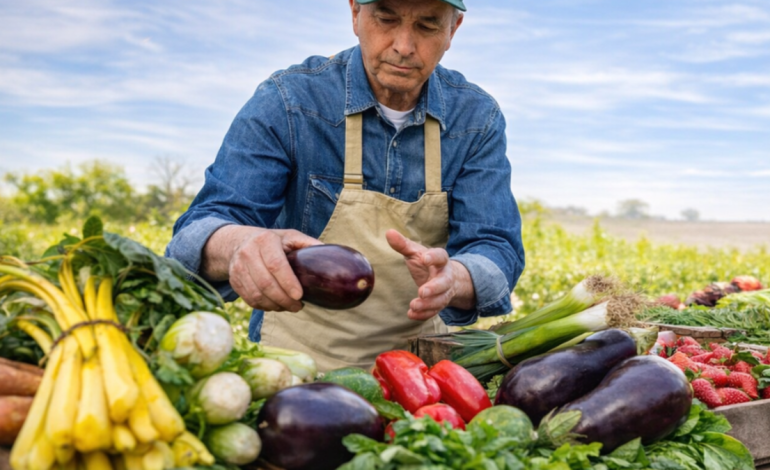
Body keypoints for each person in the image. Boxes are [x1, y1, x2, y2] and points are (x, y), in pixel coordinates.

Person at [166, 0, 525, 372]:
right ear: (355, 13)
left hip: (419, 376)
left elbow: (496, 247)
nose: (403, 45)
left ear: (453, 30)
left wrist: (455, 279)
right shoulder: (288, 101)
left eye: (428, 26)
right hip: (292, 368)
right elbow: (199, 231)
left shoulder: (476, 119)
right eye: (386, 18)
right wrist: (238, 244)